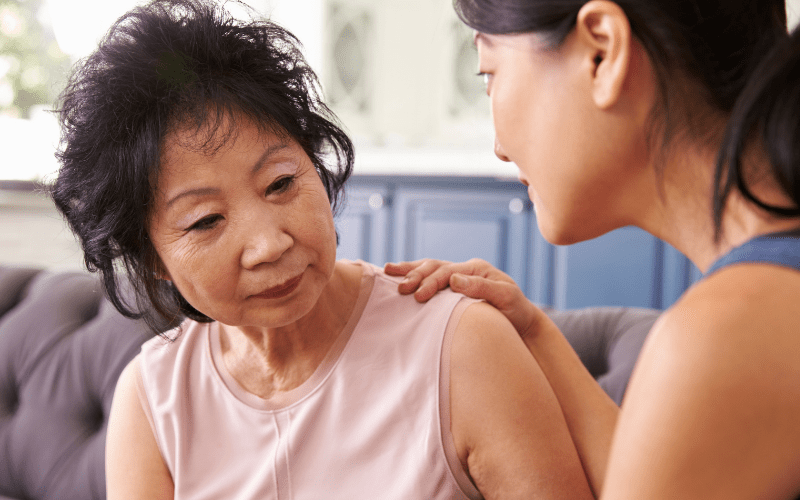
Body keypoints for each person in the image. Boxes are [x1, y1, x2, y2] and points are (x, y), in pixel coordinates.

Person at [49, 0, 595, 498]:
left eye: (281, 183)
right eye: (206, 220)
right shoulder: (153, 398)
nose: (268, 244)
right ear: (151, 259)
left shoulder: (461, 344)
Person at [387, 0, 800, 498]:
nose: (497, 145)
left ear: (601, 53)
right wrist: (535, 331)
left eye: (489, 74)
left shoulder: (729, 337)